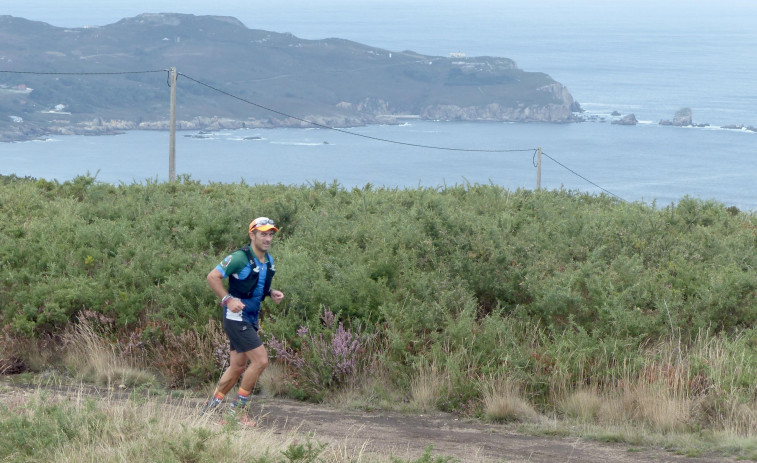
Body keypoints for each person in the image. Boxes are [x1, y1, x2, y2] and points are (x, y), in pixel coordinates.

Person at [203, 217, 285, 422]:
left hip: (250, 318)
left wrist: (271, 292)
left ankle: (210, 408)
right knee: (261, 360)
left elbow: (256, 287)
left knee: (238, 366)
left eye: (270, 234)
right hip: (236, 318)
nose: (268, 238)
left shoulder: (269, 260)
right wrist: (227, 299)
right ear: (252, 235)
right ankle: (238, 410)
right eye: (263, 234)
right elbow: (212, 277)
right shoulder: (239, 258)